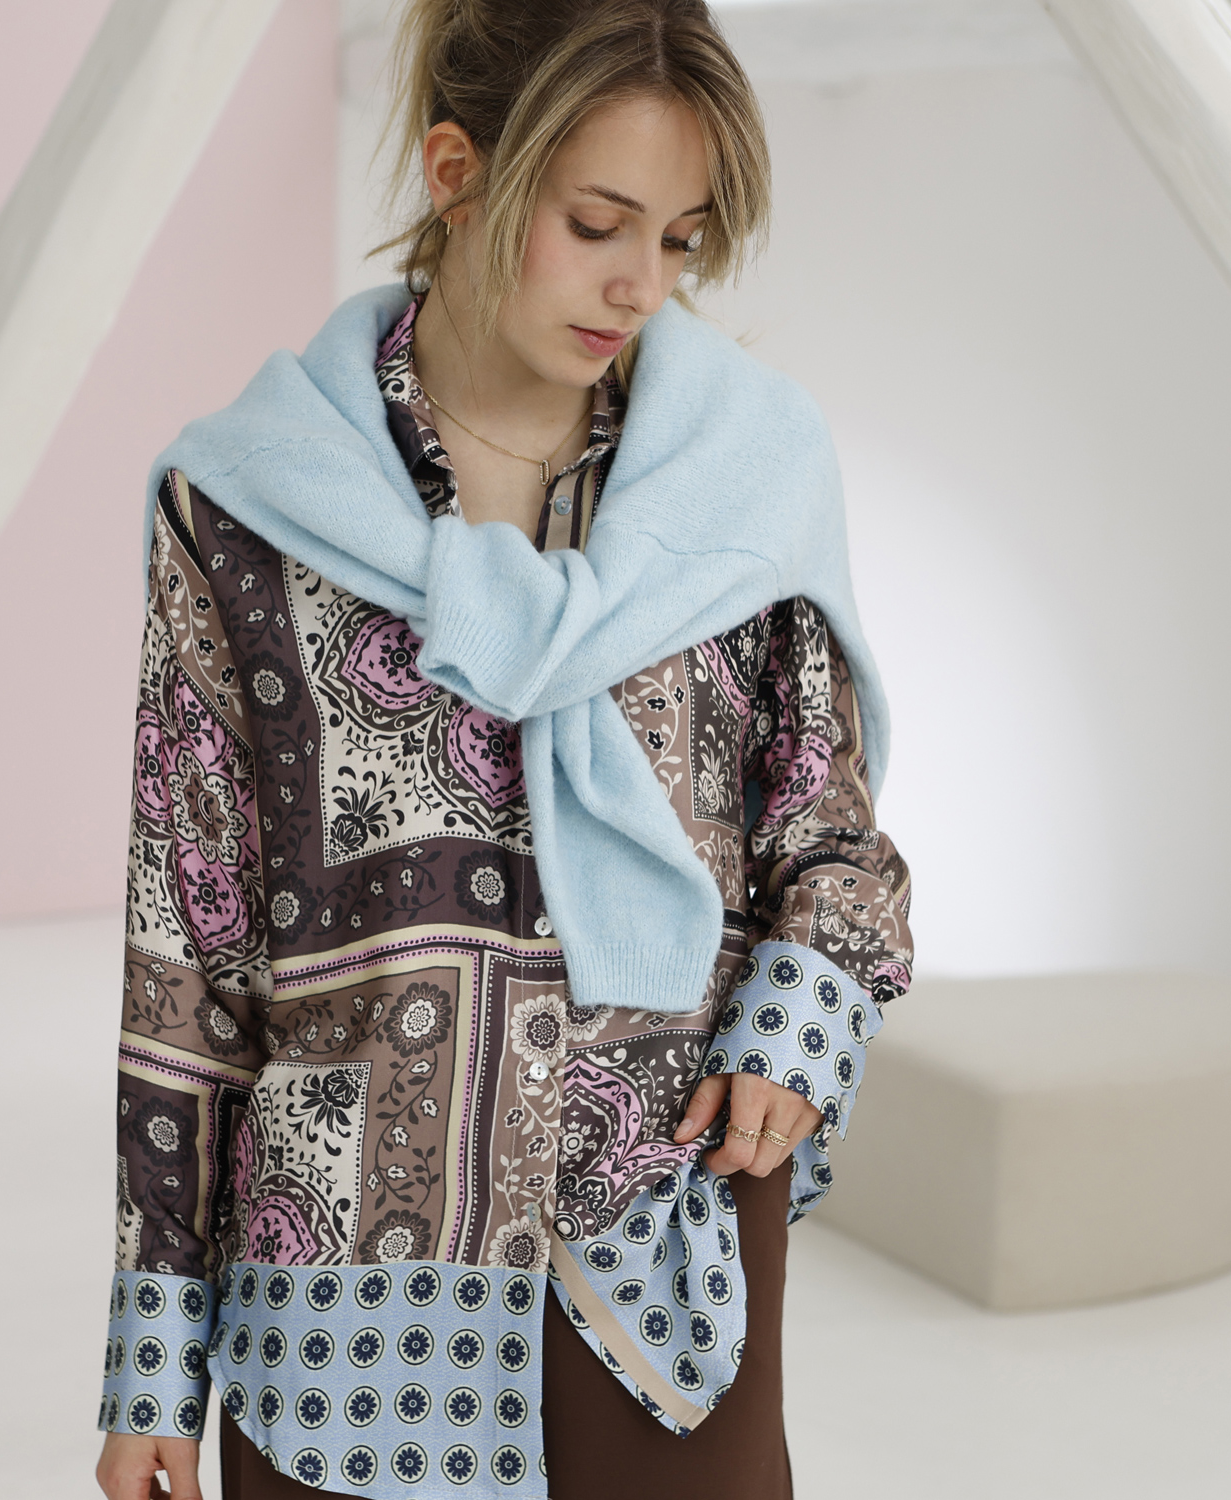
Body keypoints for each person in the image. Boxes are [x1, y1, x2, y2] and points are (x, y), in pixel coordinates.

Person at [96, 2, 913, 1497]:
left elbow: (830, 832)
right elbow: (187, 953)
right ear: (458, 171)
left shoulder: (746, 479)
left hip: (660, 1253)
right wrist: (154, 1357)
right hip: (346, 1317)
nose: (639, 283)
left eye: (679, 237)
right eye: (597, 222)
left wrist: (798, 1034)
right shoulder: (248, 513)